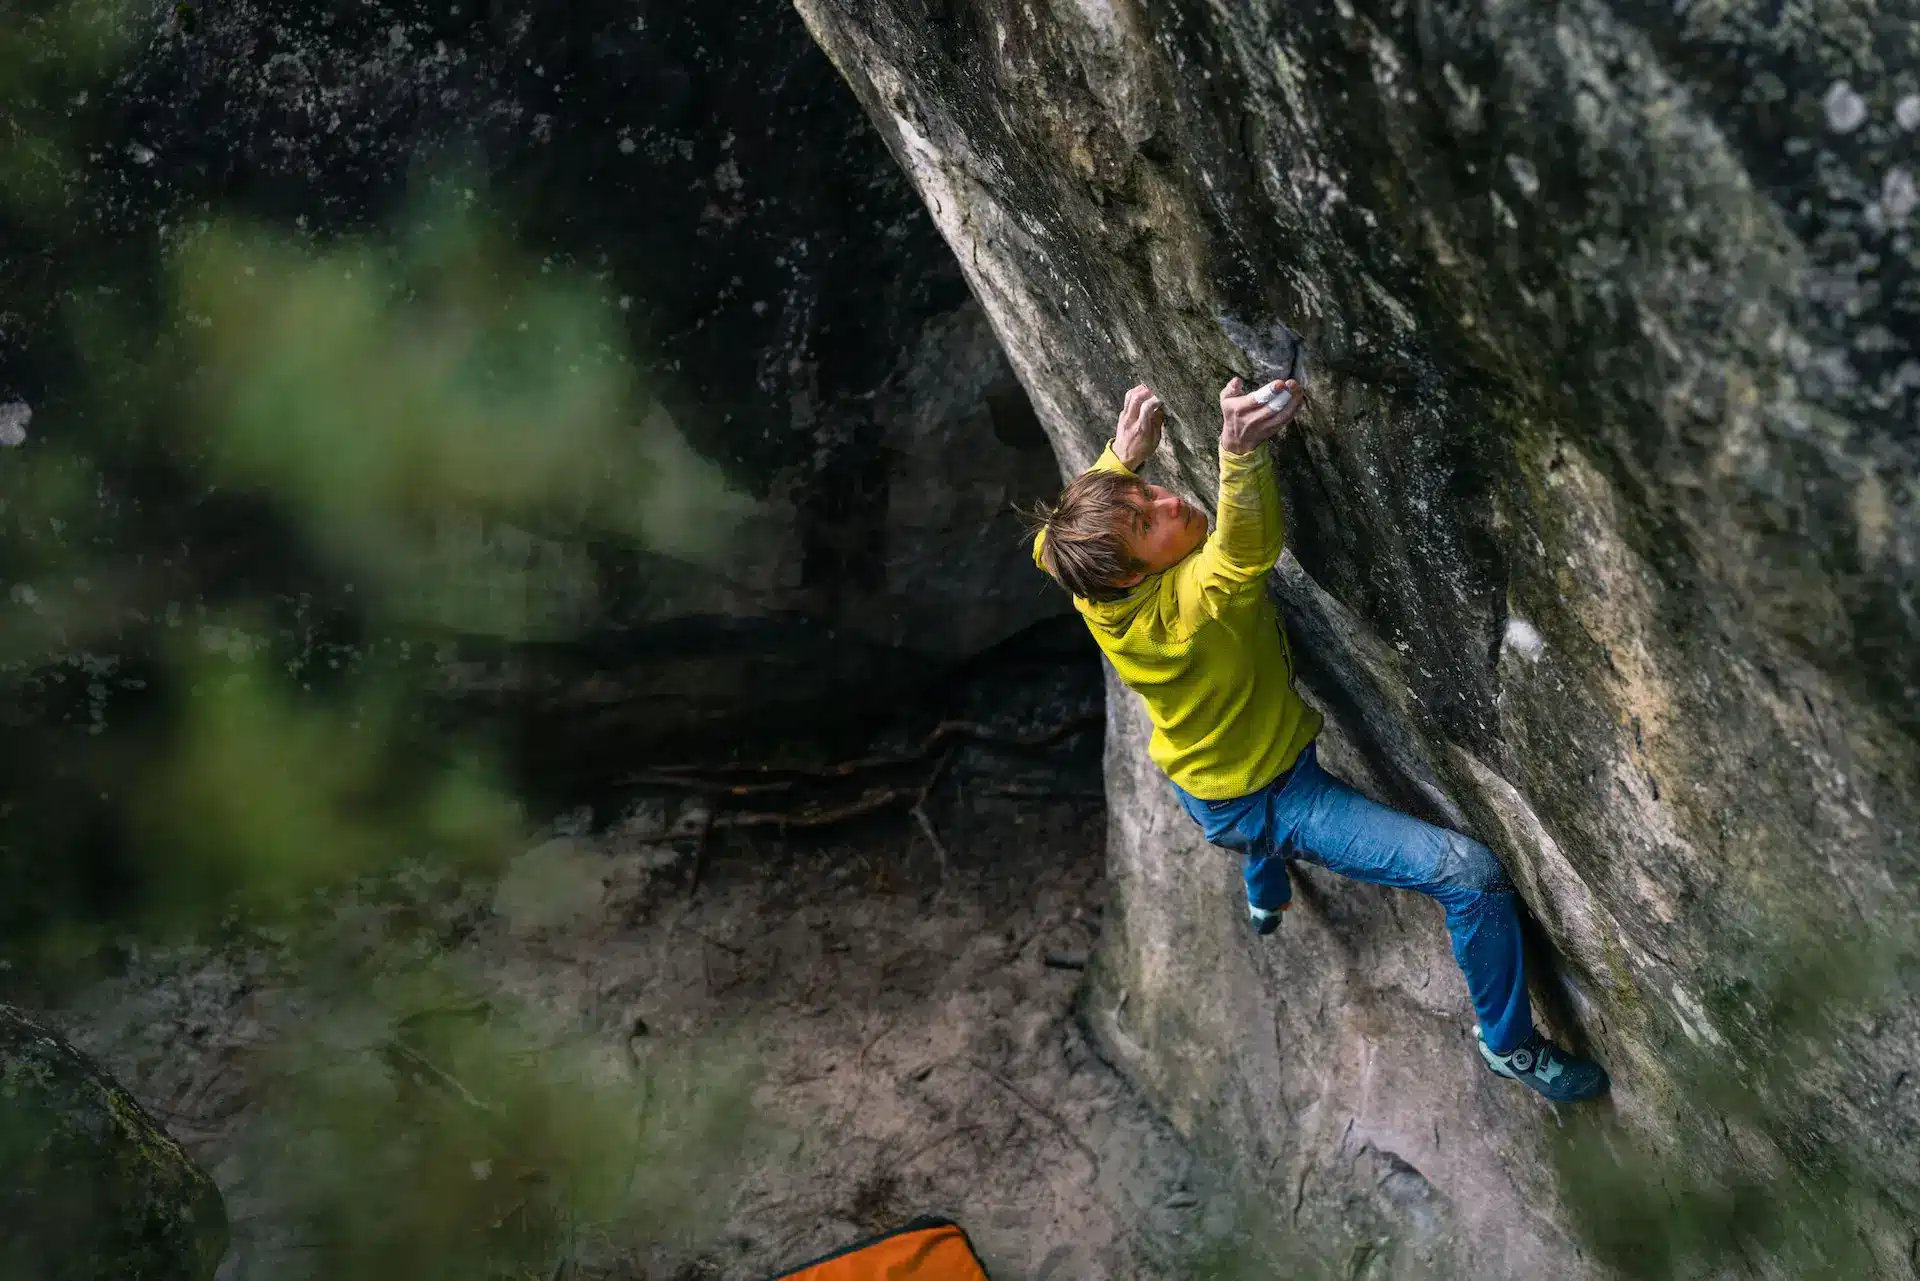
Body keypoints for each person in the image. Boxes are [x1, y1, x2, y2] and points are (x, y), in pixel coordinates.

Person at [1025, 378, 1608, 1103]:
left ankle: (1265, 891)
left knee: (1249, 840)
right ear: (1136, 575)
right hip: (1271, 797)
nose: (1168, 501)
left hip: (1203, 777)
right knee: (1470, 874)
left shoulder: (1089, 582)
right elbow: (1243, 554)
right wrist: (1240, 454)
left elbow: (1051, 540)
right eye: (1148, 522)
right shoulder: (1189, 613)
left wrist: (1120, 460)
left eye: (1149, 495)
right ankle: (1509, 1045)